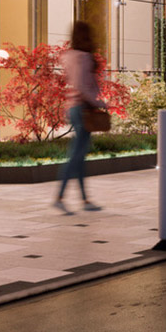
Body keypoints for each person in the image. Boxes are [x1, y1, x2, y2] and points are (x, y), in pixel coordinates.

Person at [56, 19, 106, 214]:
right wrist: (99, 102)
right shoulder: (83, 57)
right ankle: (60, 197)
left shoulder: (68, 56)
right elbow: (82, 87)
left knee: (79, 155)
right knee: (76, 155)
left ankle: (85, 200)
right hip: (83, 108)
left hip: (73, 107)